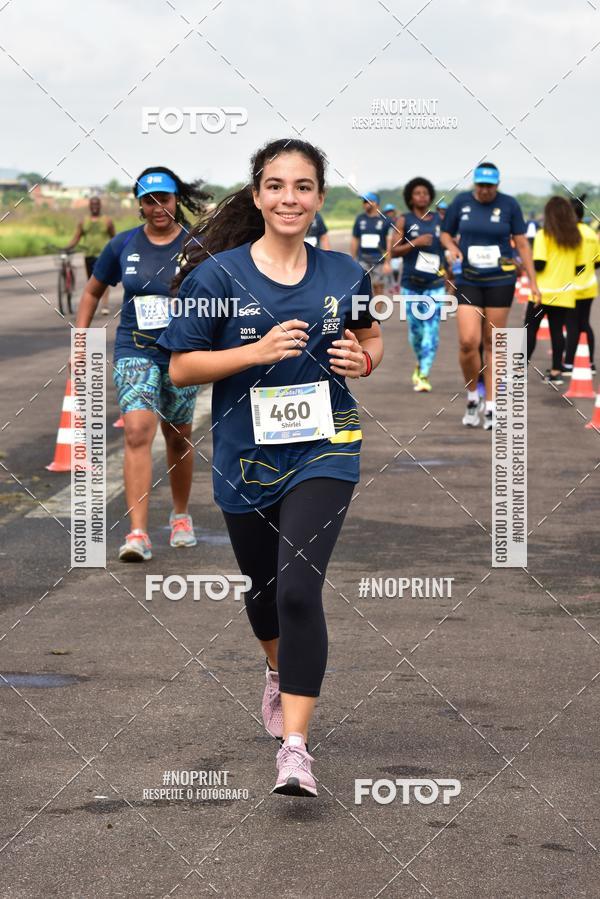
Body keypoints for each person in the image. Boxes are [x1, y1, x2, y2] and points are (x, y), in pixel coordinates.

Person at [158, 138, 383, 798]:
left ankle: (296, 750)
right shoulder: (216, 277)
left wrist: (364, 359)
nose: (290, 198)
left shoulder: (345, 273)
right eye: (277, 186)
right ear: (257, 196)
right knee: (262, 590)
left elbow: (370, 336)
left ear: (319, 197)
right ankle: (278, 672)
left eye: (303, 186)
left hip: (326, 447)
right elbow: (182, 367)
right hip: (245, 456)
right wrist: (255, 352)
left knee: (297, 591)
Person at [74, 166, 211, 560]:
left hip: (182, 354)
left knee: (178, 436)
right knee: (136, 431)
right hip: (135, 349)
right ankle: (137, 534)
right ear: (139, 205)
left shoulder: (197, 245)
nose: (157, 208)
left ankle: (181, 516)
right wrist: (80, 342)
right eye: (148, 201)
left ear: (176, 200)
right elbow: (91, 292)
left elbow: (220, 295)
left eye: (163, 199)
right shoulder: (123, 244)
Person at [440, 162, 540, 429]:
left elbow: (522, 244)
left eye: (490, 186)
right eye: (481, 185)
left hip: (500, 280)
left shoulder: (509, 205)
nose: (485, 190)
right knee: (468, 342)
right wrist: (452, 247)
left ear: (497, 184)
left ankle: (492, 405)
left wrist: (533, 282)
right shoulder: (461, 202)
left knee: (492, 342)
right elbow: (446, 233)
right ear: (474, 184)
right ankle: (473, 396)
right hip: (468, 279)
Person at [388, 177, 445, 392]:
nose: (422, 196)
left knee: (432, 330)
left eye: (425, 193)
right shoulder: (404, 220)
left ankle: (423, 373)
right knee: (416, 332)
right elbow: (394, 251)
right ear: (410, 198)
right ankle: (420, 362)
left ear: (430, 196)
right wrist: (415, 243)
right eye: (417, 193)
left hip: (435, 284)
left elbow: (447, 247)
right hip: (411, 284)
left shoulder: (440, 220)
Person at [525, 196, 585, 384]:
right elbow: (580, 267)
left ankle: (518, 371)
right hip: (565, 293)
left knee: (529, 330)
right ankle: (556, 372)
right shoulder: (576, 237)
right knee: (557, 331)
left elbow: (540, 264)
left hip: (541, 293)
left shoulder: (543, 235)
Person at [564, 195, 599, 375]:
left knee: (571, 325)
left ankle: (569, 364)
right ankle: (590, 363)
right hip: (589, 285)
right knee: (584, 323)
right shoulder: (591, 233)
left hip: (572, 286)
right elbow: (598, 261)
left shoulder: (570, 234)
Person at [66, 197, 115, 314]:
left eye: (97, 204)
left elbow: (114, 238)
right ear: (89, 206)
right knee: (91, 281)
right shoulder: (83, 222)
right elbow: (76, 237)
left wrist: (116, 251)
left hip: (103, 255)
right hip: (89, 255)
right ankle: (93, 304)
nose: (95, 207)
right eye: (92, 204)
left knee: (103, 280)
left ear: (100, 206)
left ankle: (105, 305)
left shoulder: (107, 221)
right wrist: (67, 247)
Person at [351, 191, 391, 296]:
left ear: (375, 203)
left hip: (379, 260)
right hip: (362, 259)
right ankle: (367, 307)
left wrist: (387, 262)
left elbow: (389, 242)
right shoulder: (360, 219)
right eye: (363, 202)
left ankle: (377, 307)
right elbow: (355, 239)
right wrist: (353, 259)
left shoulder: (385, 220)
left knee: (378, 286)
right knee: (362, 287)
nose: (364, 204)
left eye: (366, 201)